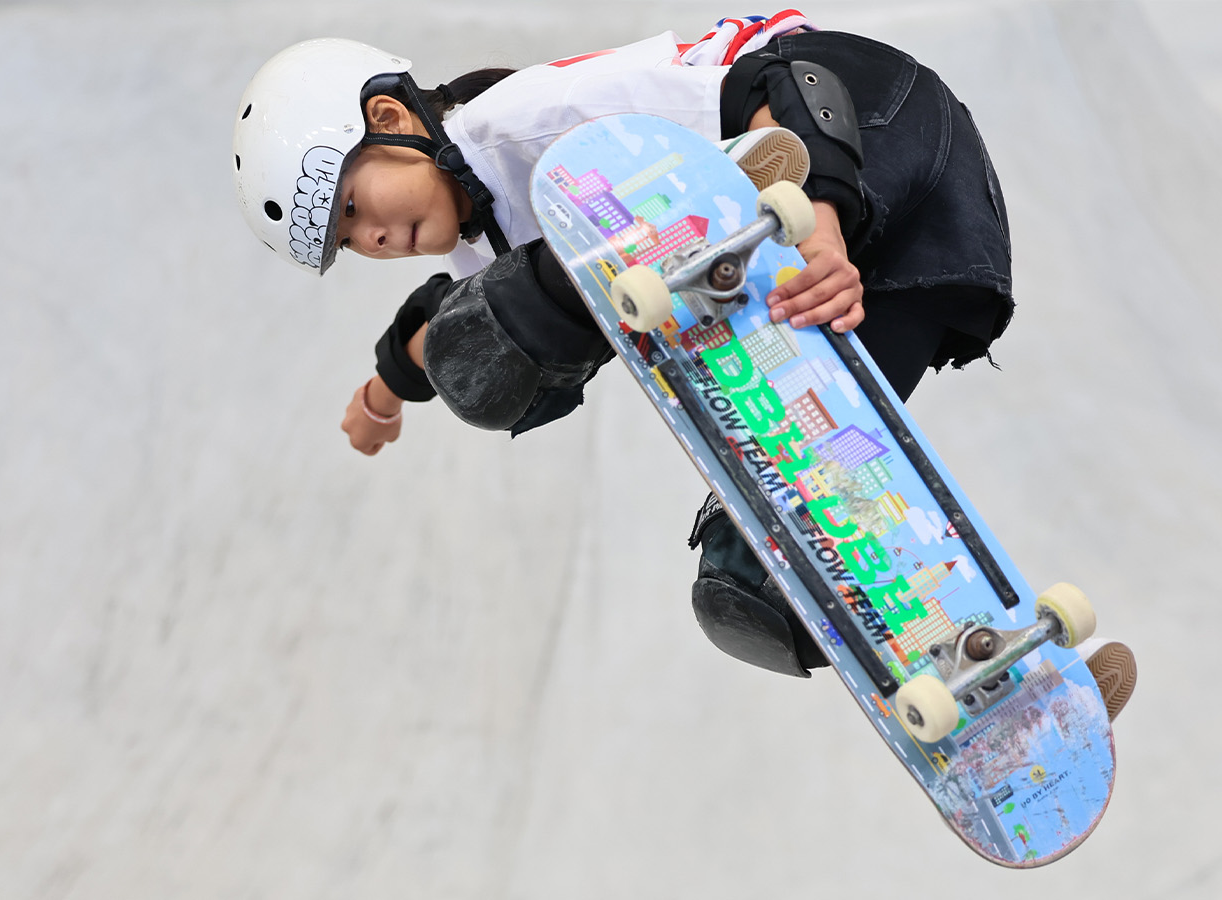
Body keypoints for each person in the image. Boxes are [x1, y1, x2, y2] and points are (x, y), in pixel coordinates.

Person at [233, 13, 1136, 717]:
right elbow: (436, 322)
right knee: (756, 576)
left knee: (514, 313)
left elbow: (782, 78)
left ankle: (743, 237)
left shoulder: (525, 121)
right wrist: (382, 394)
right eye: (350, 241)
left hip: (871, 127)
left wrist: (818, 212)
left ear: (391, 118)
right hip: (925, 259)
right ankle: (1017, 679)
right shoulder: (482, 253)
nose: (375, 236)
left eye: (355, 202)